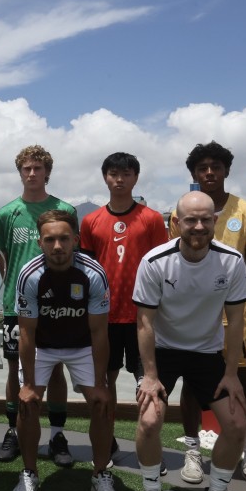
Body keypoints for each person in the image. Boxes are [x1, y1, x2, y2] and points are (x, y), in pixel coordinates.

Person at [132, 191, 246, 491]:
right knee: (150, 419)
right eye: (190, 220)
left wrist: (231, 373)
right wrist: (151, 376)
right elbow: (145, 322)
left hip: (206, 352)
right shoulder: (155, 261)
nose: (197, 226)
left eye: (205, 219)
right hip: (163, 352)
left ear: (215, 221)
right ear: (176, 222)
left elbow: (235, 320)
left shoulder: (231, 261)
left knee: (237, 425)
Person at [170, 142, 246, 491]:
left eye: (215, 166)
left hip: (236, 318)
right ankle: (193, 452)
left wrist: (235, 303)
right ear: (194, 174)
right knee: (190, 386)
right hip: (195, 319)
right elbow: (175, 262)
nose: (209, 172)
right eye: (202, 167)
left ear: (226, 170)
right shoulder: (180, 211)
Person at [10, 210, 117, 491]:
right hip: (42, 345)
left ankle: (101, 474)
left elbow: (99, 332)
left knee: (101, 402)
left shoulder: (93, 273)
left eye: (64, 239)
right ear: (41, 243)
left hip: (82, 344)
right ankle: (29, 472)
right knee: (28, 403)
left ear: (76, 240)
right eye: (50, 239)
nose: (57, 246)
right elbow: (27, 334)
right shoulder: (29, 275)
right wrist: (29, 383)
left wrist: (98, 383)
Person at [80, 152, 167, 461]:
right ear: (105, 178)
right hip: (104, 317)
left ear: (135, 178)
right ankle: (108, 443)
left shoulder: (152, 218)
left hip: (144, 317)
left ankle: (148, 446)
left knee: (149, 382)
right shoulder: (91, 221)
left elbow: (161, 266)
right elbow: (87, 270)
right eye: (114, 173)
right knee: (105, 382)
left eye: (126, 174)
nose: (119, 179)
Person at [0, 145, 75, 466]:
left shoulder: (64, 210)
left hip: (57, 307)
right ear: (20, 172)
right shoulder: (5, 214)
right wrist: (15, 288)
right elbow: (1, 262)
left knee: (55, 368)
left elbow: (72, 255)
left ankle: (56, 435)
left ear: (47, 172)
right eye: (26, 168)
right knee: (15, 368)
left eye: (37, 169)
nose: (31, 174)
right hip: (17, 306)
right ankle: (14, 431)